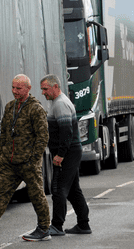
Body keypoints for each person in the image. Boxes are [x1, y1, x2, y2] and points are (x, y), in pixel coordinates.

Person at [0, 74, 52, 242]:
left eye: (18, 88)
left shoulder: (36, 109)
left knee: (36, 195)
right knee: (1, 193)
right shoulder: (10, 106)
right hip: (10, 162)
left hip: (28, 163)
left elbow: (43, 137)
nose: (14, 91)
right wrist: (2, 155)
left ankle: (44, 229)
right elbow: (4, 133)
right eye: (13, 88)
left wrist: (33, 160)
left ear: (28, 89)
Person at [40, 74, 92, 236]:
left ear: (56, 87)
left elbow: (67, 131)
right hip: (72, 150)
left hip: (67, 152)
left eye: (45, 89)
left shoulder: (60, 104)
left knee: (59, 188)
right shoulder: (58, 102)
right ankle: (83, 225)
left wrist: (60, 154)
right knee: (73, 189)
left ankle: (57, 225)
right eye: (42, 89)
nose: (43, 92)